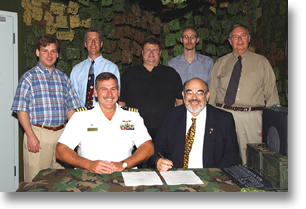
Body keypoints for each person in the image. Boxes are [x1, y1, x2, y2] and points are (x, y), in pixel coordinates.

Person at [11, 34, 81, 182]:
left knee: (62, 180)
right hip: (38, 135)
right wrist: (30, 135)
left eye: (53, 51)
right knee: (36, 182)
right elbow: (21, 109)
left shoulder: (64, 78)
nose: (49, 55)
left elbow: (71, 109)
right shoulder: (28, 78)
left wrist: (73, 136)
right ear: (37, 52)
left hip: (62, 134)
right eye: (45, 50)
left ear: (57, 54)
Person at [208, 24, 280, 165]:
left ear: (249, 38)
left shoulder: (262, 62)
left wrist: (269, 124)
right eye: (235, 36)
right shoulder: (221, 63)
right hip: (224, 115)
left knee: (253, 161)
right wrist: (211, 121)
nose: (239, 40)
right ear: (230, 41)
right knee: (221, 158)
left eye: (243, 36)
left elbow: (271, 95)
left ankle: (252, 186)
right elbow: (212, 94)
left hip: (252, 120)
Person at [56, 72, 154, 174]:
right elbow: (61, 150)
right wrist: (89, 164)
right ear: (95, 92)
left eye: (113, 89)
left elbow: (148, 147)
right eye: (104, 89)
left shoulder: (132, 117)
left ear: (118, 92)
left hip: (124, 174)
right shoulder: (81, 117)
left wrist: (123, 164)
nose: (109, 94)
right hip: (88, 175)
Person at [151, 78, 239, 172]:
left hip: (211, 176)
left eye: (200, 93)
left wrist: (217, 173)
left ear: (207, 96)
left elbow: (232, 154)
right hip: (176, 174)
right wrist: (158, 161)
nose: (194, 97)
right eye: (189, 92)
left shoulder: (223, 119)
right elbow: (159, 146)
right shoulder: (171, 116)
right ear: (183, 95)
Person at [119, 37, 184, 146]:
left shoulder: (171, 73)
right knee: (138, 161)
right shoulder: (129, 73)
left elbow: (179, 102)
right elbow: (121, 103)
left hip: (165, 128)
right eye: (148, 50)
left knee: (163, 160)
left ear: (160, 53)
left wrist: (176, 124)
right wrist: (123, 127)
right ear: (142, 52)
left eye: (154, 50)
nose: (151, 53)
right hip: (135, 128)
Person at [70, 28, 120, 107]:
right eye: (90, 40)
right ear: (85, 44)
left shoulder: (111, 68)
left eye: (96, 40)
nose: (93, 43)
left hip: (104, 114)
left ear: (101, 44)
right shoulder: (76, 70)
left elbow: (115, 95)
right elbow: (73, 98)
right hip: (82, 115)